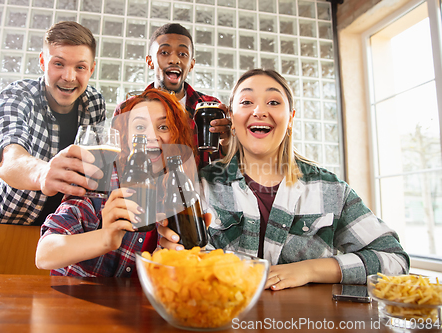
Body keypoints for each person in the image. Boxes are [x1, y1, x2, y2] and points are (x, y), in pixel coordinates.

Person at [158, 68, 410, 290]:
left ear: (290, 118)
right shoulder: (200, 186)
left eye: (273, 102)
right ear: (231, 119)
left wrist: (309, 270)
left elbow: (395, 260)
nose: (259, 111)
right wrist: (173, 254)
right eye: (246, 102)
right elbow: (182, 264)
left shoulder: (331, 189)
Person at [35, 89, 197, 276]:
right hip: (75, 301)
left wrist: (181, 255)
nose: (151, 136)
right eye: (139, 127)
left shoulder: (180, 191)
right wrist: (105, 238)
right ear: (125, 139)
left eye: (163, 127)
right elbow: (45, 253)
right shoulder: (100, 178)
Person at [0, 21, 106, 242]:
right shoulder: (17, 96)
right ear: (43, 61)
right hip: (6, 232)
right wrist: (43, 174)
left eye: (80, 67)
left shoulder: (94, 103)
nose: (69, 76)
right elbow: (9, 160)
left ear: (91, 69)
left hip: (66, 237)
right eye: (59, 64)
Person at [114, 23, 231, 166]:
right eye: (164, 52)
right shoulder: (126, 110)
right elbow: (117, 165)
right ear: (150, 61)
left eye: (183, 54)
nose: (174, 60)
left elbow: (224, 167)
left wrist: (228, 145)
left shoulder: (210, 106)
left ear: (191, 64)